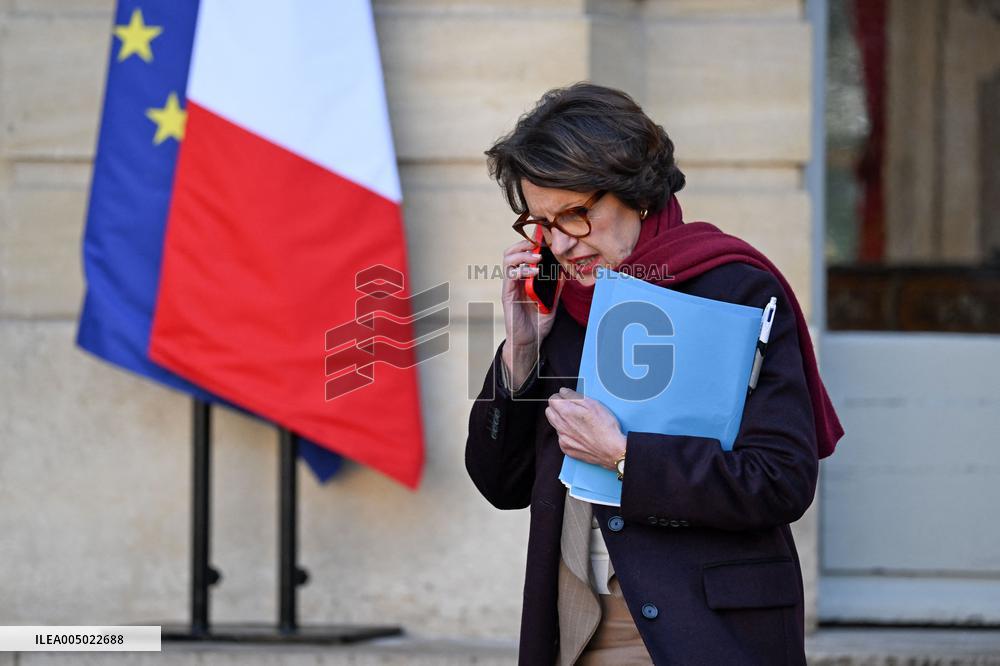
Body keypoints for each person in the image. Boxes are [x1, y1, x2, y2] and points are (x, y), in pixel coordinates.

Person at [464, 82, 844, 666]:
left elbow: (780, 481)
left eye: (576, 214)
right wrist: (520, 351)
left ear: (636, 193)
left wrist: (624, 456)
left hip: (707, 630)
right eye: (542, 222)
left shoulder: (734, 289)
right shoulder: (558, 308)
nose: (560, 243)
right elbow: (500, 484)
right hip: (575, 629)